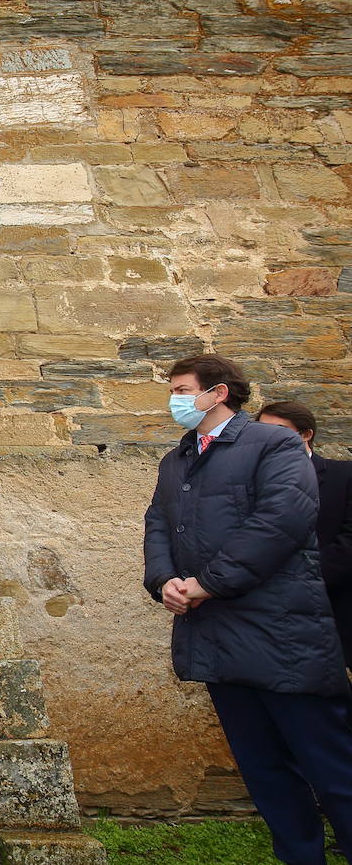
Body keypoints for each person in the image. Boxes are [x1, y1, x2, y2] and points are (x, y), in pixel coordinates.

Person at [144, 355, 352, 864]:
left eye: (181, 389)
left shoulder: (275, 444)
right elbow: (157, 524)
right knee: (265, 771)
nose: (174, 400)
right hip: (216, 638)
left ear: (218, 393)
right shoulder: (177, 460)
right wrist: (164, 581)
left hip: (282, 635)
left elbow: (282, 520)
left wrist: (208, 583)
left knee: (332, 768)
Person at [257, 400, 352, 670]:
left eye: (279, 431)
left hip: (337, 605)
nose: (270, 440)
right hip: (273, 616)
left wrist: (304, 582)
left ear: (305, 434)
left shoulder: (344, 476)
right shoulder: (253, 483)